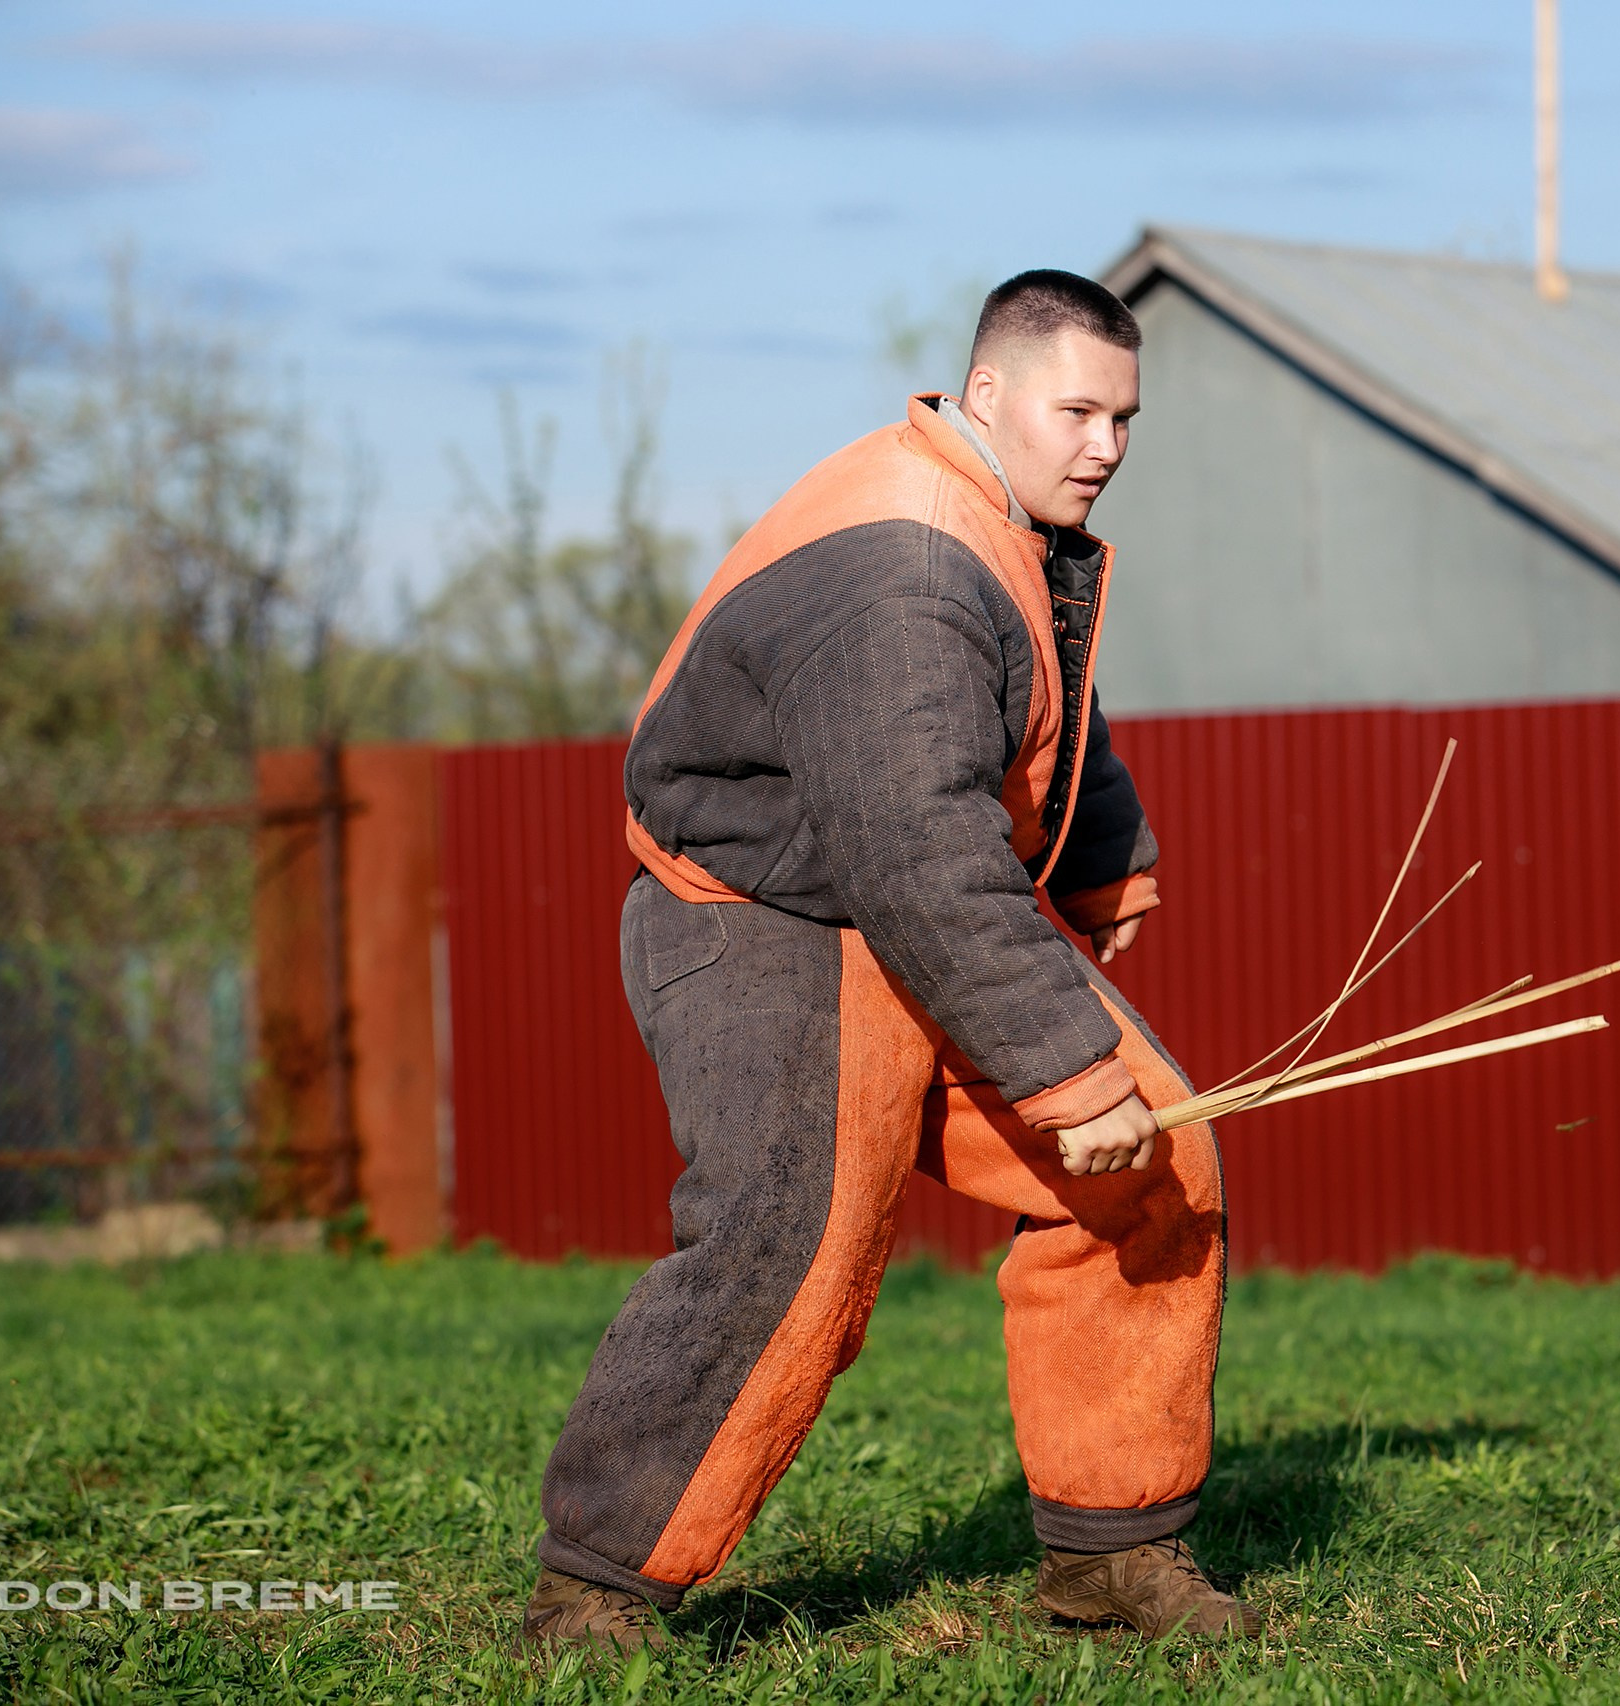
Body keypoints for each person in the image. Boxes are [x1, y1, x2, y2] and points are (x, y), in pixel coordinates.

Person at [523, 269, 1254, 1653]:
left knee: (1156, 1166)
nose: (1106, 444)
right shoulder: (904, 566)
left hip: (909, 902)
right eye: (1078, 411)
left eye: (1124, 418)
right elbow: (916, 848)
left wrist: (1102, 857)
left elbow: (1040, 700)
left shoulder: (999, 519)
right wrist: (1066, 1072)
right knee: (791, 1239)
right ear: (988, 392)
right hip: (767, 915)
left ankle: (1113, 1556)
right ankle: (598, 1590)